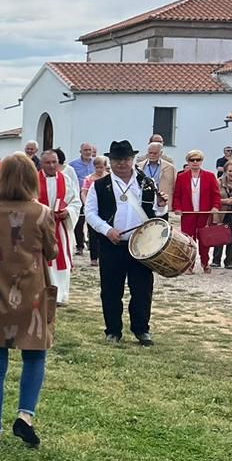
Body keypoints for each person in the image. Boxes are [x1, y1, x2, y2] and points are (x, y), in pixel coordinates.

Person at [0, 154, 56, 449]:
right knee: (35, 357)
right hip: (32, 297)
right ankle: (25, 415)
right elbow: (52, 251)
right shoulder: (42, 213)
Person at [84, 139, 157, 346]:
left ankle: (142, 329)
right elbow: (90, 213)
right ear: (110, 161)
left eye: (125, 159)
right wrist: (107, 231)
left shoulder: (147, 182)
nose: (121, 164)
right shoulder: (99, 185)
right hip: (112, 244)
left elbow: (158, 214)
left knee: (142, 289)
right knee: (111, 290)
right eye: (117, 160)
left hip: (140, 246)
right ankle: (113, 331)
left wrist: (162, 205)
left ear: (133, 160)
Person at [38, 149, 79, 302]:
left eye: (54, 162)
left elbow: (76, 201)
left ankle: (60, 295)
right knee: (43, 259)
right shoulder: (33, 180)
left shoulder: (66, 180)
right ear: (42, 163)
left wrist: (67, 211)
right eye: (47, 162)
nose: (51, 165)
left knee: (60, 260)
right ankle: (42, 292)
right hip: (40, 228)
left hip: (60, 228)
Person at [173, 150, 222, 273]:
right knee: (188, 240)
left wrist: (215, 206)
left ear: (201, 161)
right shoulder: (181, 177)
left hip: (204, 213)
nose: (195, 162)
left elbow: (216, 194)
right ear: (188, 162)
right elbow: (177, 195)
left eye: (198, 160)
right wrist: (177, 208)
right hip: (188, 213)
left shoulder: (210, 176)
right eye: (192, 160)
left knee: (204, 239)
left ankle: (205, 263)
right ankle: (189, 265)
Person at [81, 156, 108, 266]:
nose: (99, 170)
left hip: (106, 209)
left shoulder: (109, 178)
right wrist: (86, 203)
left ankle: (104, 256)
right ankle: (93, 258)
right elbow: (84, 192)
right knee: (93, 234)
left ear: (105, 167)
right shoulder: (89, 179)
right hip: (93, 208)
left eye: (101, 167)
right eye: (97, 167)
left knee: (104, 233)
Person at [139, 141, 174, 217]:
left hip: (162, 204)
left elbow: (175, 186)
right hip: (144, 203)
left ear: (161, 153)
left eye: (155, 153)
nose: (152, 155)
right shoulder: (139, 166)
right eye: (150, 153)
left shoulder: (169, 168)